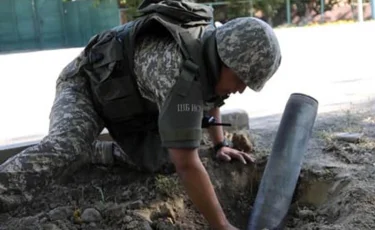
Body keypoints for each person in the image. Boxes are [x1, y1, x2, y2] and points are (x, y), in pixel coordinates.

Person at [0, 0, 282, 229]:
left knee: (164, 161)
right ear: (225, 58)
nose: (242, 89)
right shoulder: (178, 75)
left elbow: (212, 93)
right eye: (242, 79)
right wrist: (222, 226)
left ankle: (96, 153)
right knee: (66, 147)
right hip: (85, 87)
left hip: (134, 106)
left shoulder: (212, 50)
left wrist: (220, 144)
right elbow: (188, 164)